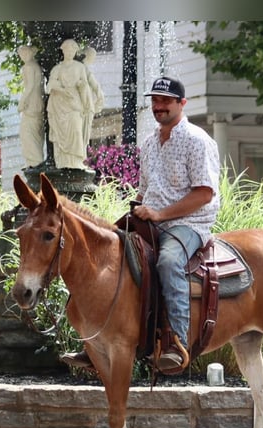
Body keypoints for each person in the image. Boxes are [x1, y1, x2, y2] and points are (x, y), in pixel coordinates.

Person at [61, 76, 220, 373]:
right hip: (150, 221)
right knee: (104, 256)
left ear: (181, 104)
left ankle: (175, 342)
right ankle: (95, 341)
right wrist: (137, 211)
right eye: (155, 101)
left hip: (187, 225)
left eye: (165, 101)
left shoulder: (198, 141)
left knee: (170, 262)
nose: (158, 106)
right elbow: (145, 191)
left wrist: (160, 215)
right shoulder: (149, 144)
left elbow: (204, 194)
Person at [46, 39, 94, 170]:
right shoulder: (57, 68)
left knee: (76, 131)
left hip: (74, 103)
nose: (69, 52)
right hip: (59, 104)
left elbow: (84, 85)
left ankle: (76, 161)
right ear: (63, 51)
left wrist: (85, 100)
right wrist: (62, 90)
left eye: (72, 50)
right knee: (60, 134)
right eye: (67, 50)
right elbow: (49, 86)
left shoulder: (80, 67)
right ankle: (63, 162)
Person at [16, 45, 45, 168]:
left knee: (26, 132)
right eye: (21, 54)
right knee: (35, 132)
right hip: (39, 101)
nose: (23, 56)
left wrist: (22, 101)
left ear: (30, 53)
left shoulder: (28, 67)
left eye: (24, 53)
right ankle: (37, 160)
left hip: (31, 103)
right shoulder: (37, 66)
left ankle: (34, 161)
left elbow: (30, 86)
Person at [80, 47, 105, 148]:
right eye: (93, 56)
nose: (93, 59)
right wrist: (100, 96)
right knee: (83, 134)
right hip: (85, 105)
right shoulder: (83, 68)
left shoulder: (82, 67)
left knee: (83, 133)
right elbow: (95, 85)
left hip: (84, 104)